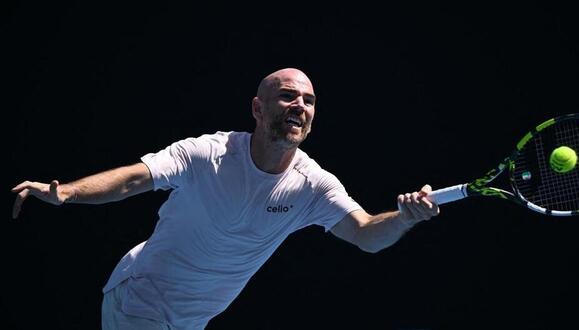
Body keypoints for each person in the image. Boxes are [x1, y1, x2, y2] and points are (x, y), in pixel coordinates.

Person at [11, 68, 439, 329]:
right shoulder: (207, 154)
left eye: (308, 100)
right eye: (288, 96)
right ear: (257, 108)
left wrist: (404, 218)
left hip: (191, 321)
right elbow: (131, 180)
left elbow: (365, 233)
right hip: (139, 301)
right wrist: (67, 192)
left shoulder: (313, 184)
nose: (300, 106)